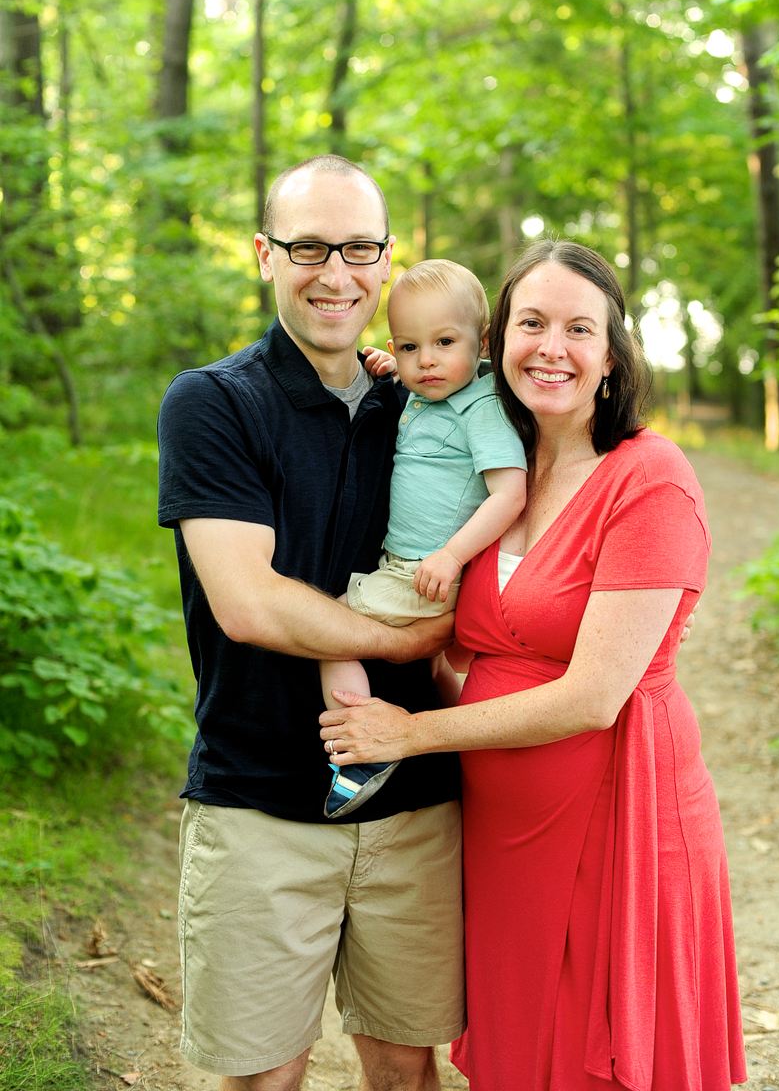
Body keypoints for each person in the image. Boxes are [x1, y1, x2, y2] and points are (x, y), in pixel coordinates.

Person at [321, 241, 748, 1091]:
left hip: (615, 815)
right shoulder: (494, 467)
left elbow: (592, 697)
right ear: (497, 339)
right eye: (533, 322)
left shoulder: (648, 480)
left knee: (600, 1050)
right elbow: (474, 646)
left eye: (578, 328)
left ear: (611, 355)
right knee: (520, 1048)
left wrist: (410, 731)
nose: (552, 346)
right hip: (499, 827)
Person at [157, 155, 465, 1091]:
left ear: (386, 259)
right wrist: (406, 639)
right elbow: (247, 603)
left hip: (414, 800)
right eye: (308, 247)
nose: (336, 272)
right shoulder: (213, 402)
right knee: (262, 1076)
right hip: (259, 802)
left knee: (408, 1069)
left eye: (359, 247)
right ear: (264, 255)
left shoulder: (425, 399)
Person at [319, 259, 527, 818]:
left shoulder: (482, 406)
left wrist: (453, 555)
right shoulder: (423, 390)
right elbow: (413, 382)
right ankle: (482, 753)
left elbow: (510, 494)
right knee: (434, 670)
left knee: (328, 632)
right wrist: (393, 369)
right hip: (414, 567)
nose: (426, 361)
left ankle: (358, 751)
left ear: (482, 343)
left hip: (429, 570)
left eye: (443, 342)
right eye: (409, 347)